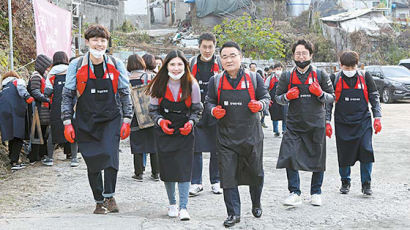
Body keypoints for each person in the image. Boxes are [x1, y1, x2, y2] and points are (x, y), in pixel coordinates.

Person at [61, 24, 132, 214]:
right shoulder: (77, 65)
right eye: (95, 40)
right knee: (92, 160)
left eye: (103, 41)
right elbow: (68, 95)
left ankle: (109, 196)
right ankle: (98, 200)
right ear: (87, 42)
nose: (99, 44)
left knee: (110, 156)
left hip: (111, 118)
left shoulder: (116, 64)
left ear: (107, 43)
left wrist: (127, 119)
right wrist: (67, 121)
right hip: (85, 120)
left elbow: (125, 93)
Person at [205, 41, 270, 227]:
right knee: (227, 175)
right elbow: (208, 101)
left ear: (241, 57)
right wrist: (212, 110)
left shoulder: (253, 78)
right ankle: (233, 213)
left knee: (256, 173)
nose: (229, 60)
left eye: (233, 55)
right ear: (220, 60)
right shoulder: (215, 81)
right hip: (226, 137)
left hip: (252, 135)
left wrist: (260, 106)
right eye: (224, 57)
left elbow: (266, 98)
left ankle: (256, 203)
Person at [275, 39, 335, 207]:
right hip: (294, 124)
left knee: (318, 157)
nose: (301, 57)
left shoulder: (321, 74)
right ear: (293, 56)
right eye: (297, 53)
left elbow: (332, 97)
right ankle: (294, 192)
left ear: (311, 55)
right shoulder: (287, 76)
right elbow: (277, 98)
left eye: (304, 53)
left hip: (316, 122)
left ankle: (316, 192)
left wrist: (320, 93)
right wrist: (288, 97)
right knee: (289, 155)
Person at [147, 50, 203, 221]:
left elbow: (197, 110)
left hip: (184, 129)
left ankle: (184, 207)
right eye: (172, 64)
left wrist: (191, 123)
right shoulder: (158, 84)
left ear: (185, 66)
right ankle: (172, 204)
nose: (176, 68)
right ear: (166, 66)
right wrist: (160, 122)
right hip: (165, 129)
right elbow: (152, 110)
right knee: (168, 168)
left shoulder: (192, 84)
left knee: (184, 168)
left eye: (180, 64)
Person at [326, 51, 382, 196]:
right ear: (341, 65)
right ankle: (345, 181)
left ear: (357, 65)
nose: (350, 71)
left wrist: (377, 117)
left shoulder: (365, 76)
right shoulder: (335, 78)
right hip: (342, 122)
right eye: (346, 67)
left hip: (363, 121)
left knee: (366, 150)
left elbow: (374, 96)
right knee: (344, 153)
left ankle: (366, 184)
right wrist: (327, 121)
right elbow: (329, 102)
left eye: (352, 67)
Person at [188, 32, 223, 196]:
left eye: (210, 47)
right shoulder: (192, 63)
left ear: (215, 47)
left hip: (215, 109)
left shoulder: (220, 64)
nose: (207, 50)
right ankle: (196, 182)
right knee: (196, 148)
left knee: (216, 148)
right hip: (196, 109)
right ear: (199, 47)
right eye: (204, 47)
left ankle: (216, 181)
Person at [44, 51, 80, 167]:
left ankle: (50, 159)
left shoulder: (51, 74)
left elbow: (47, 92)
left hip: (56, 105)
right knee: (72, 128)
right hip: (71, 104)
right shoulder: (72, 70)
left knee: (53, 130)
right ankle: (74, 158)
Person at [127, 54, 159, 181]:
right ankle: (156, 173)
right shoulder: (151, 76)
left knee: (137, 144)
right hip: (150, 113)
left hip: (135, 115)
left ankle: (139, 173)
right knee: (154, 144)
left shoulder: (126, 78)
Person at [0, 71, 34, 170]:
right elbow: (22, 90)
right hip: (16, 111)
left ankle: (12, 160)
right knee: (18, 136)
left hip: (4, 113)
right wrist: (28, 97)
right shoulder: (17, 82)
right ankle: (14, 162)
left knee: (11, 136)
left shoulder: (4, 87)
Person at [28, 54, 52, 164]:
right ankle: (35, 156)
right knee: (37, 132)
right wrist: (46, 99)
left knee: (42, 132)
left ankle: (40, 155)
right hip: (38, 108)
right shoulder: (36, 76)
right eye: (47, 66)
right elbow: (34, 91)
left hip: (43, 109)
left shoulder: (42, 76)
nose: (48, 68)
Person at [265, 63, 286, 137]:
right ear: (274, 70)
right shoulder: (270, 78)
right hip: (273, 100)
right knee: (274, 116)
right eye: (277, 69)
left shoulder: (285, 77)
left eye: (280, 69)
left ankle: (284, 130)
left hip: (284, 99)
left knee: (285, 115)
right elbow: (265, 88)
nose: (279, 71)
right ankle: (276, 131)